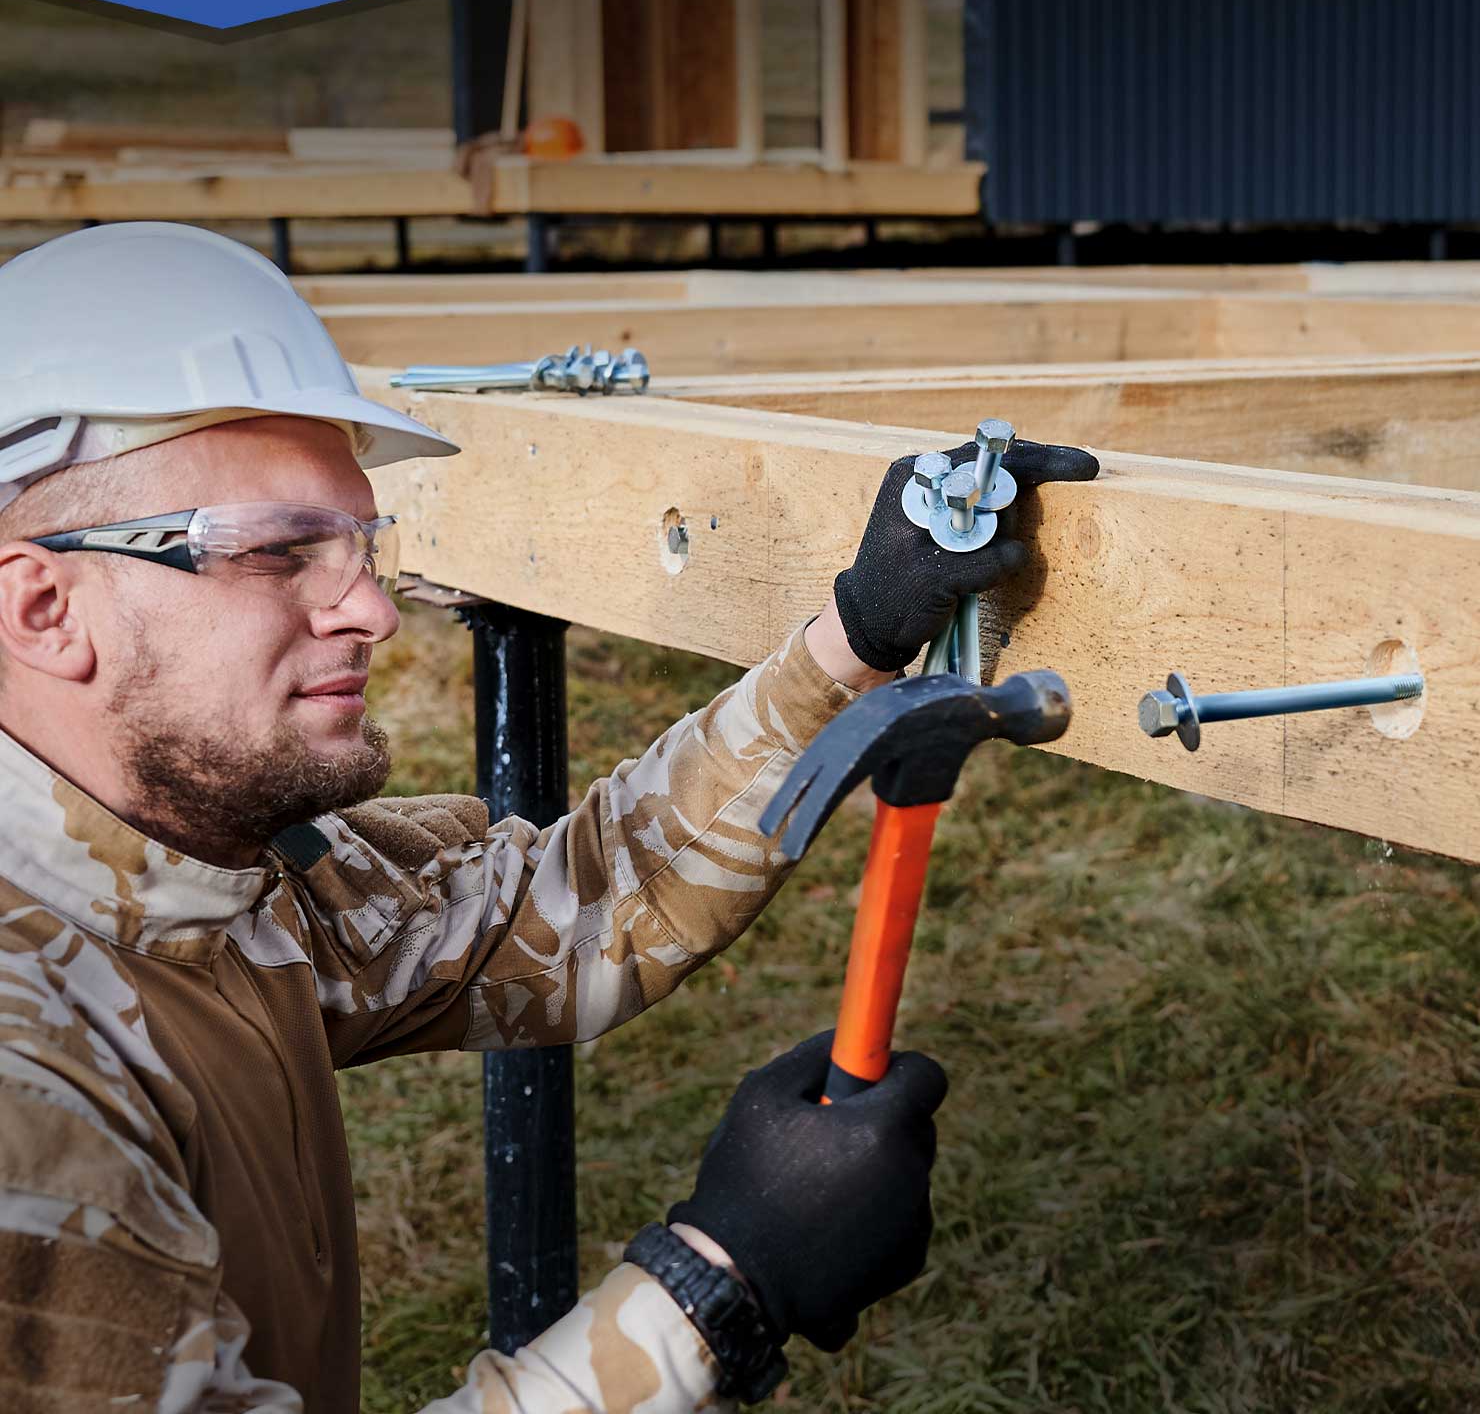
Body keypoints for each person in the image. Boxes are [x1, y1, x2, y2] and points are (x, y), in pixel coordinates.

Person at [0, 222, 1099, 1411]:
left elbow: (566, 906)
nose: (371, 606)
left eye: (361, 541)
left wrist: (855, 637)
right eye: (278, 553)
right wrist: (716, 1288)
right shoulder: (24, 1089)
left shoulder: (209, 875)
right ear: (46, 606)